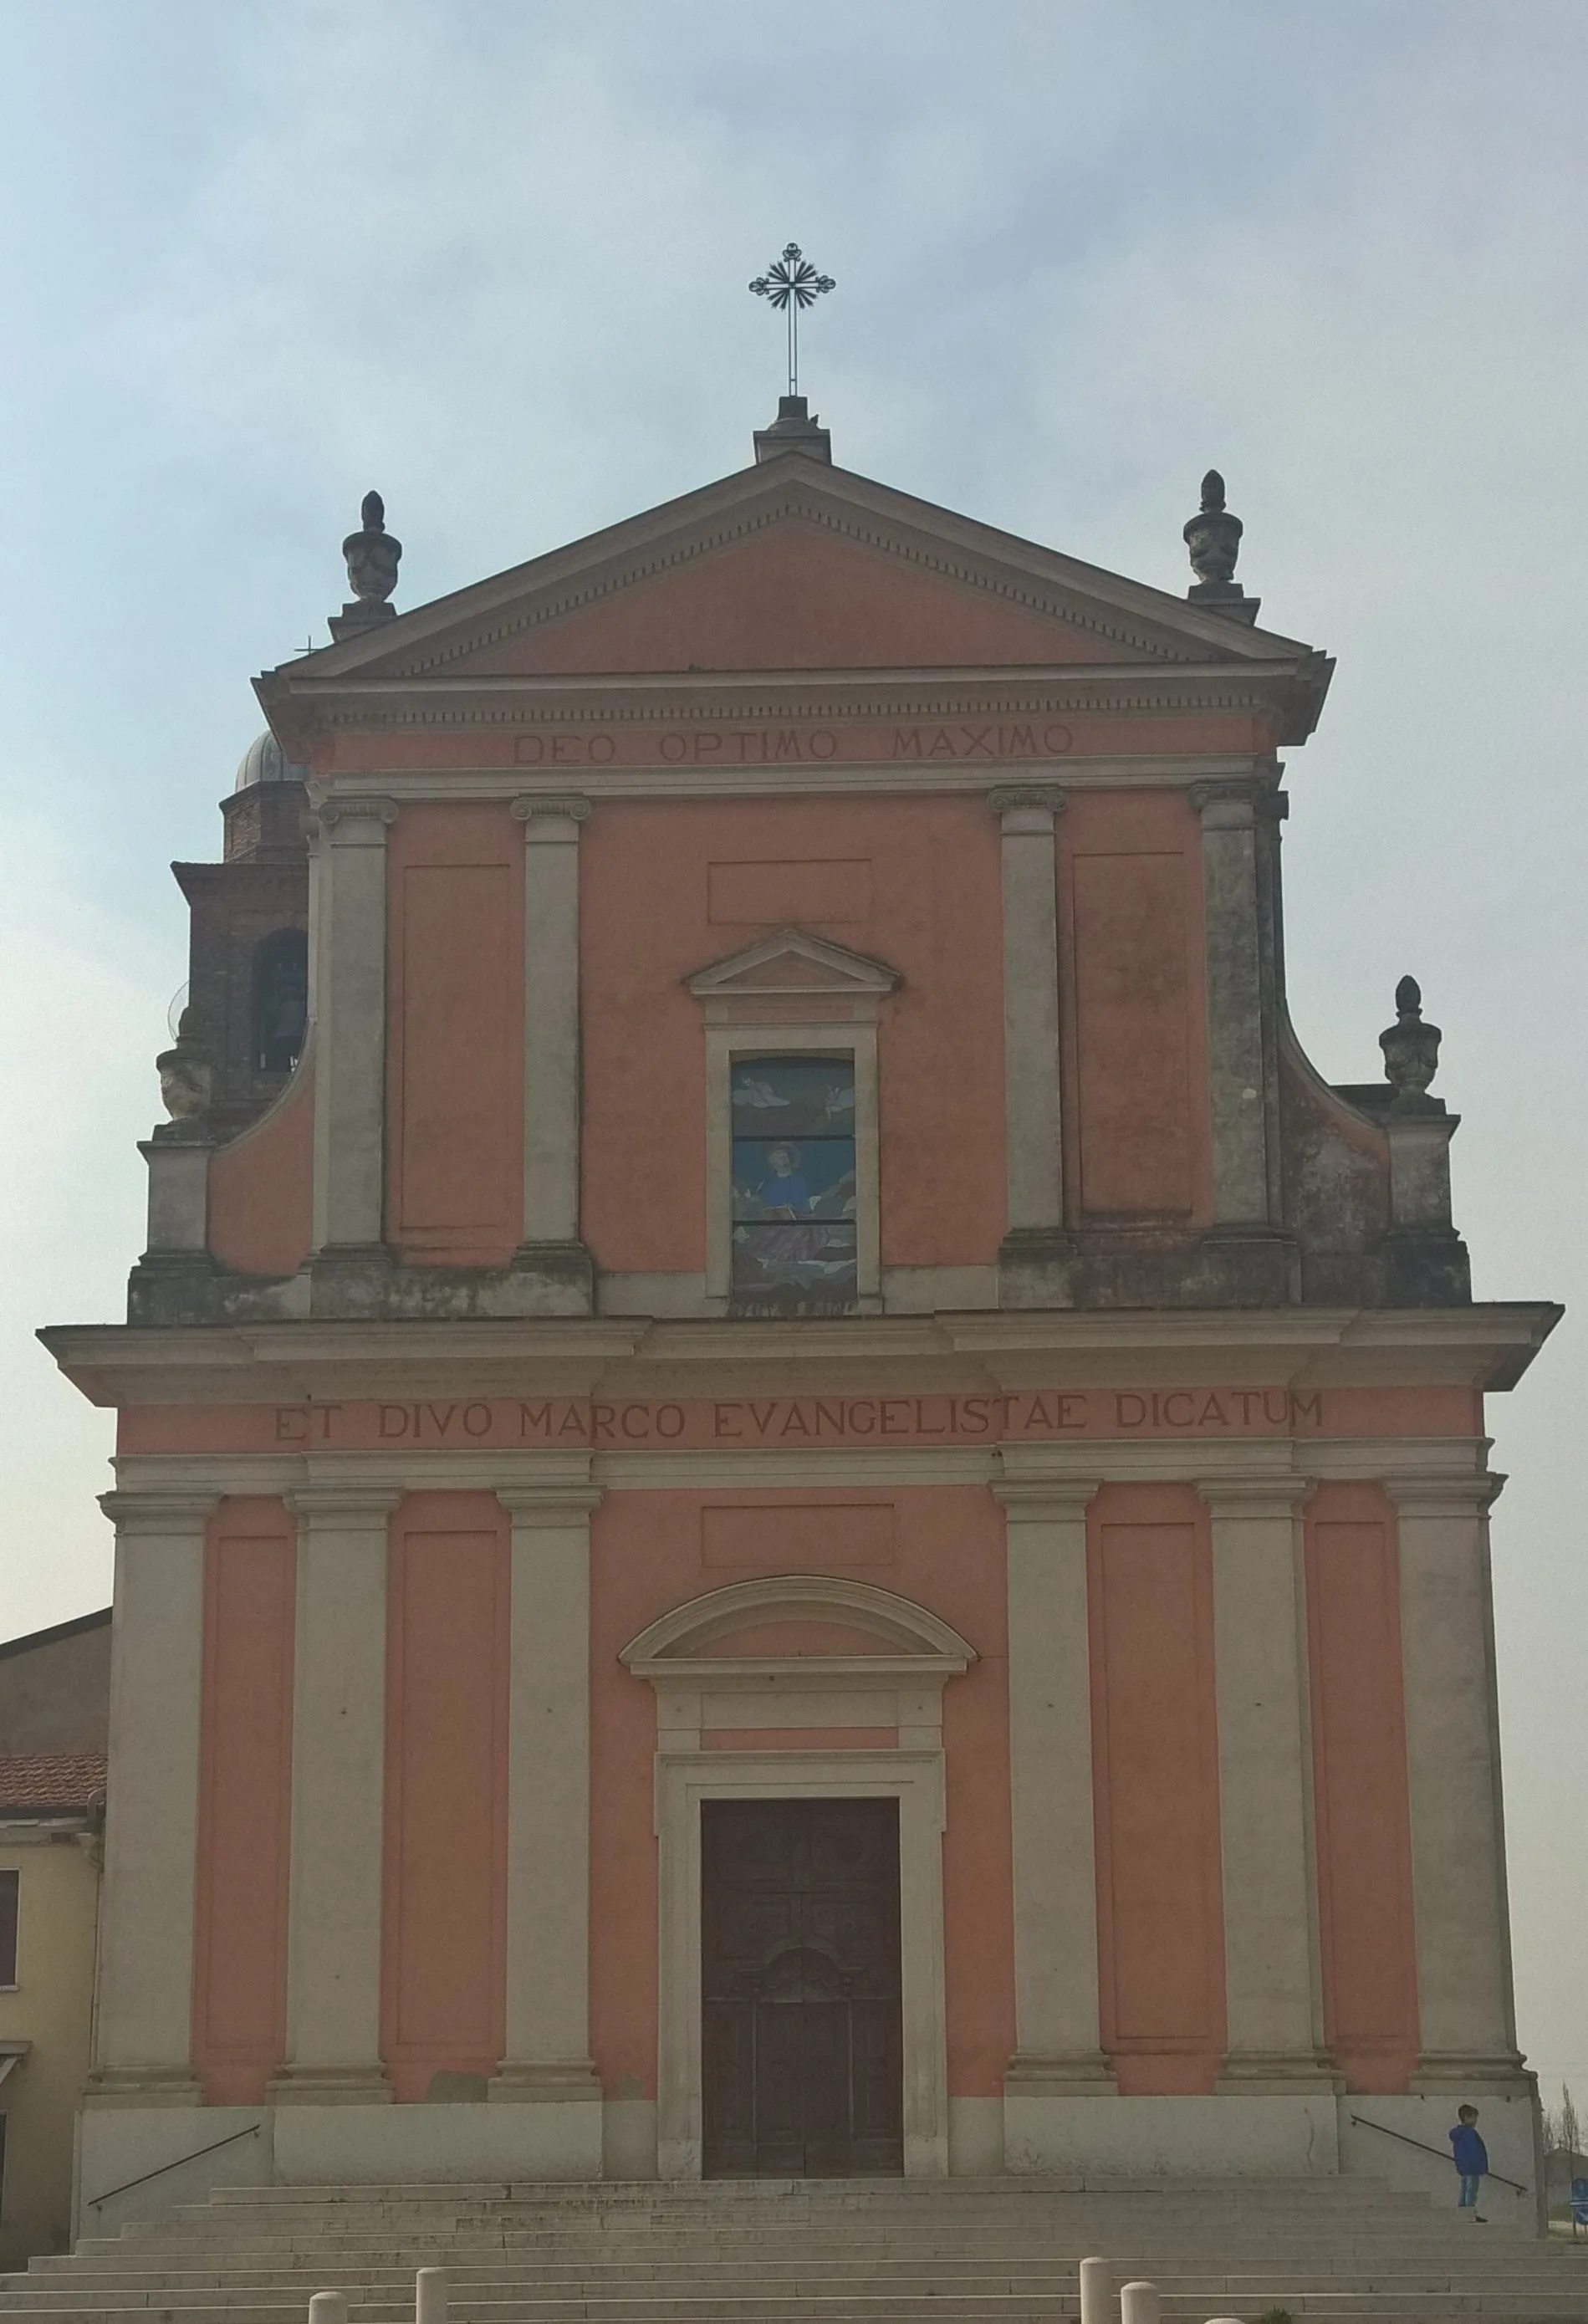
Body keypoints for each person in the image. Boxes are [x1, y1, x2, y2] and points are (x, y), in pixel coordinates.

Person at [1450, 2104, 1488, 2220]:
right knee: (1471, 2191)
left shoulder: (1461, 2134)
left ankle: (1463, 2210)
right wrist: (1480, 2165)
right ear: (1467, 2117)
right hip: (1472, 2167)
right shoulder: (1469, 2134)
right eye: (1474, 2117)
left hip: (1464, 2166)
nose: (1476, 2121)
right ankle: (1469, 2213)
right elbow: (1474, 2152)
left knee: (1465, 2189)